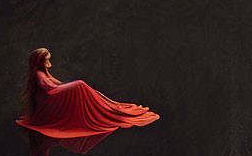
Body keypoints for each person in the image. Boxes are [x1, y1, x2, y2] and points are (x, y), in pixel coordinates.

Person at [16, 48, 159, 138]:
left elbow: (53, 85)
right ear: (41, 61)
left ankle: (99, 103)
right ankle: (95, 108)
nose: (49, 62)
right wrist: (68, 87)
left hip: (52, 95)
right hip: (50, 99)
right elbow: (48, 88)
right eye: (47, 60)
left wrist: (64, 86)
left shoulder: (42, 72)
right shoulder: (38, 74)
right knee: (79, 85)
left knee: (80, 86)